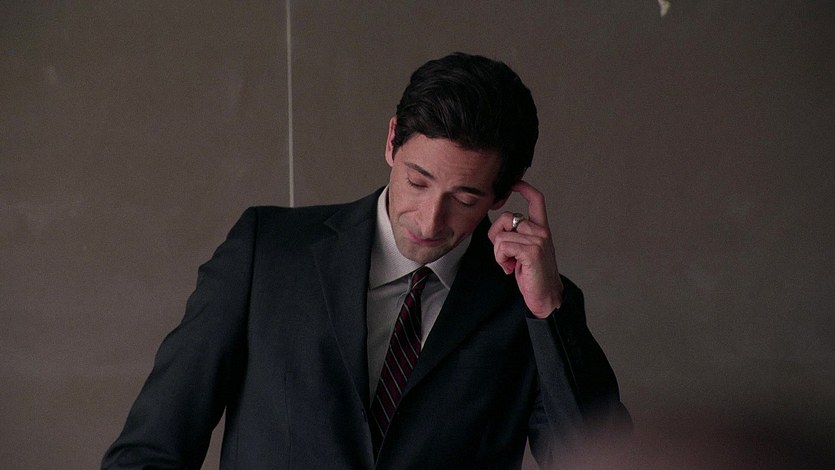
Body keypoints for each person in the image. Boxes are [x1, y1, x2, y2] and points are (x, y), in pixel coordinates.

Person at [102, 52, 629, 469]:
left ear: (503, 194)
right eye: (417, 181)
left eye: (465, 198)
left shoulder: (530, 308)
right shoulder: (268, 254)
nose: (429, 219)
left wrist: (547, 311)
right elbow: (149, 451)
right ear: (392, 141)